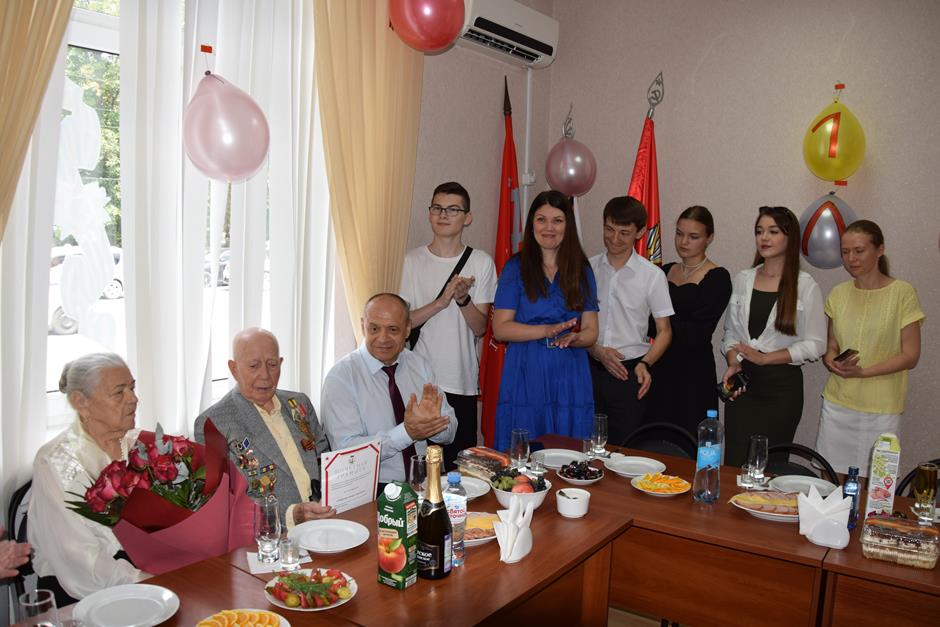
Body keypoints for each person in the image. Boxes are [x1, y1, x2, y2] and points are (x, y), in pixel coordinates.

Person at [29, 353, 147, 601]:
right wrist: (144, 579)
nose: (133, 399)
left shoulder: (140, 444)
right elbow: (77, 557)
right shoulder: (56, 461)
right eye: (119, 392)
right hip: (84, 590)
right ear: (80, 402)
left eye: (132, 388)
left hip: (147, 568)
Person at [195, 328, 335, 528]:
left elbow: (324, 460)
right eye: (254, 366)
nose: (265, 375)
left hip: (326, 520)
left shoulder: (299, 403)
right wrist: (291, 515)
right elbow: (227, 500)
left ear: (281, 363)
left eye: (272, 364)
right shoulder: (214, 423)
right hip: (273, 535)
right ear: (234, 369)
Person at [400, 181, 497, 469]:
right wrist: (441, 303)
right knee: (419, 469)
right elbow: (403, 325)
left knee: (459, 472)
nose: (443, 215)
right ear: (429, 213)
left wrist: (463, 299)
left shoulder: (481, 262)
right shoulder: (411, 261)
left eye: (453, 209)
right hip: (418, 382)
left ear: (467, 217)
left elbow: (480, 328)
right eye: (437, 208)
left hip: (461, 381)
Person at [815, 220, 925, 475]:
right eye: (845, 252)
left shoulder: (903, 293)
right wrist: (832, 361)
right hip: (838, 402)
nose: (851, 259)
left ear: (880, 250)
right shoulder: (838, 293)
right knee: (831, 477)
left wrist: (863, 372)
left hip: (882, 407)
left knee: (875, 482)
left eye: (859, 250)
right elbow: (831, 344)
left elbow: (911, 356)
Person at [492, 190, 599, 451]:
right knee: (525, 453)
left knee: (569, 454)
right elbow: (500, 328)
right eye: (541, 219)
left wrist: (577, 338)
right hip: (526, 369)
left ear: (568, 226)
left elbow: (591, 331)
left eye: (557, 220)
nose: (549, 228)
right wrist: (547, 330)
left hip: (570, 371)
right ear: (531, 224)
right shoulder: (515, 267)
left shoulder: (582, 269)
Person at [721, 206, 826, 466]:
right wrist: (733, 361)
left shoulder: (805, 285)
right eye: (759, 231)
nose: (764, 238)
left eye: (773, 231)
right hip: (743, 386)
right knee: (736, 463)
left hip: (781, 390)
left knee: (770, 469)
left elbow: (817, 344)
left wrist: (766, 358)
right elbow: (731, 332)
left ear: (790, 237)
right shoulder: (743, 278)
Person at [321, 293, 457, 486]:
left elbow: (450, 432)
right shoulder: (341, 378)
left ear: (407, 329)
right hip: (370, 489)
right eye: (374, 329)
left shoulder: (419, 365)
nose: (383, 338)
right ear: (363, 325)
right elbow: (346, 453)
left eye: (393, 329)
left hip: (422, 483)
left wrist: (431, 426)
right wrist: (407, 433)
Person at [589, 196, 674, 447]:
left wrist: (645, 364)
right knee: (585, 445)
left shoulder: (652, 276)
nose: (614, 239)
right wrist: (596, 350)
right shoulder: (588, 268)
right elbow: (575, 322)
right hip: (589, 368)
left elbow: (665, 331)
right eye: (609, 229)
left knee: (623, 449)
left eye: (624, 233)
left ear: (640, 232)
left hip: (629, 373)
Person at [647, 206, 732, 436]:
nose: (683, 242)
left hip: (693, 372)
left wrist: (662, 322)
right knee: (653, 438)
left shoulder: (718, 277)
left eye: (693, 236)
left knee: (689, 439)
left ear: (709, 238)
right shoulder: (663, 271)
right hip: (658, 367)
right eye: (679, 233)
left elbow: (697, 334)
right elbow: (646, 323)